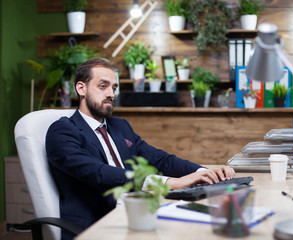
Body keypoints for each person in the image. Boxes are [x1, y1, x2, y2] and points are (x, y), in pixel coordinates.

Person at [46, 57, 235, 239]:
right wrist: (168, 183)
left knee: (212, 226)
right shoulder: (62, 131)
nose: (111, 94)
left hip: (140, 210)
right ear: (81, 88)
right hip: (100, 223)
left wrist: (203, 172)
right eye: (102, 86)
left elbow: (160, 159)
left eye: (114, 87)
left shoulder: (120, 126)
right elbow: (99, 173)